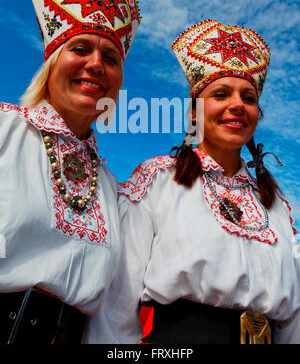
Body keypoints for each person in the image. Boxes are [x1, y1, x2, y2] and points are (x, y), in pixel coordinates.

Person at [83, 19, 300, 344]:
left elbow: (292, 321)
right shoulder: (158, 180)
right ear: (195, 112)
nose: (237, 105)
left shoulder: (275, 205)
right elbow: (116, 307)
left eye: (249, 98)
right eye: (221, 94)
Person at [0, 0, 140, 344]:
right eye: (80, 49)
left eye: (110, 57)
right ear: (51, 62)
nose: (96, 64)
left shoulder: (113, 190)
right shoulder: (5, 132)